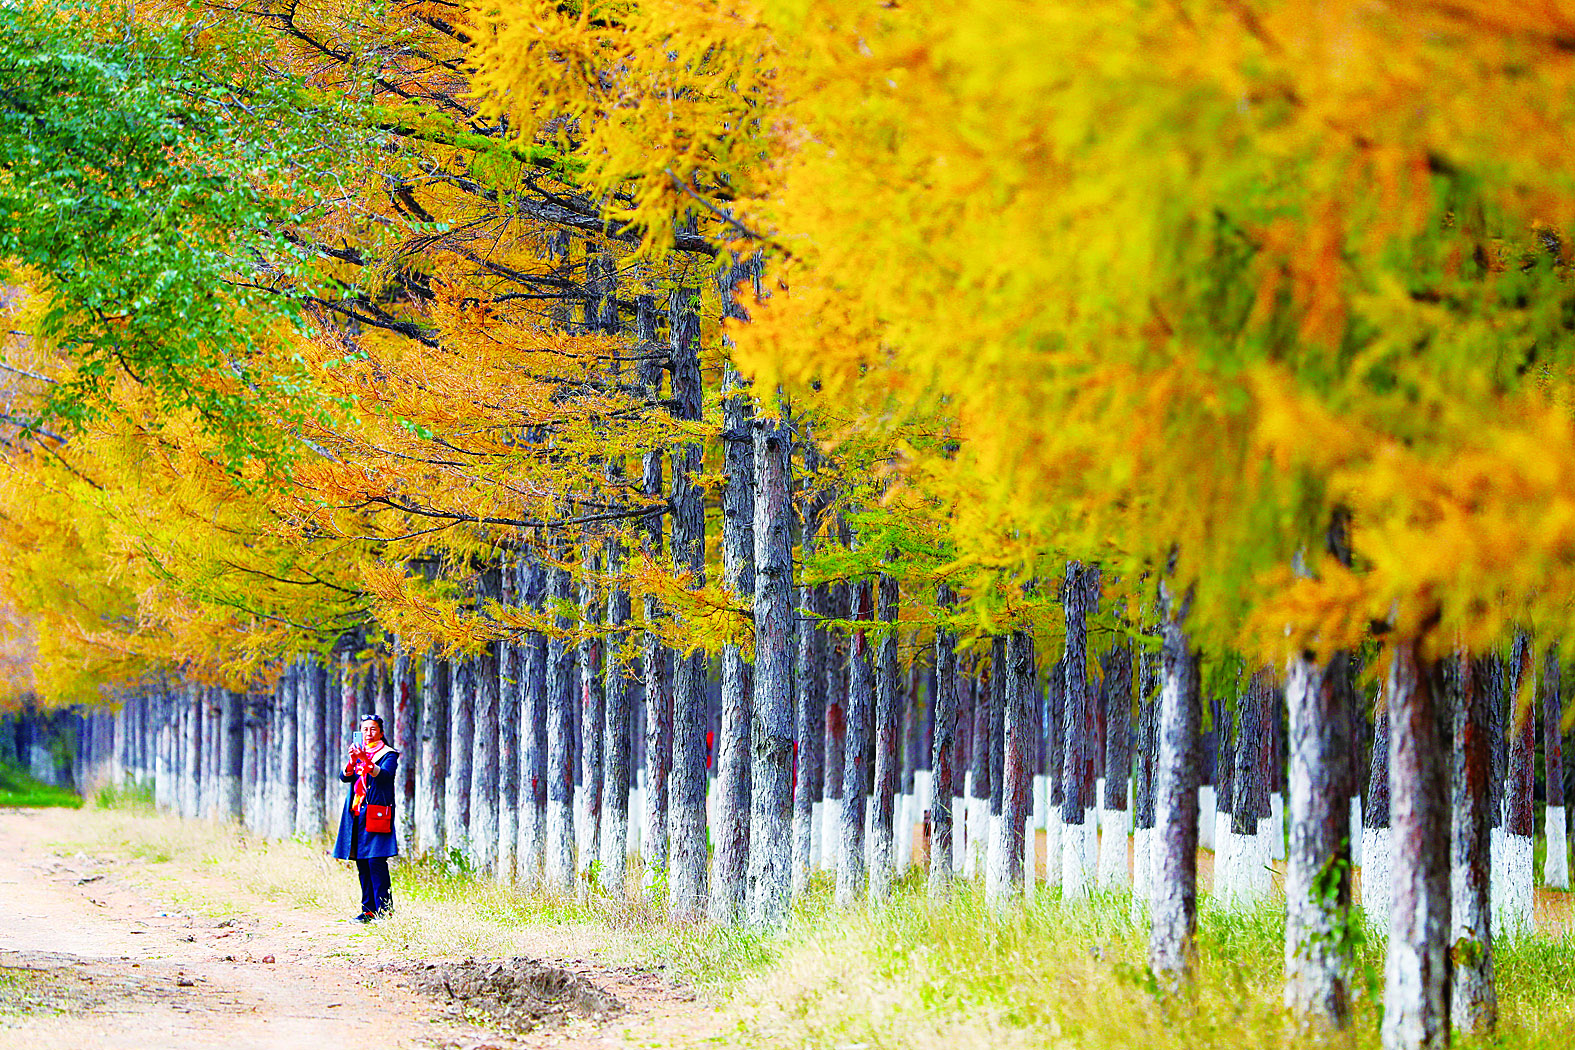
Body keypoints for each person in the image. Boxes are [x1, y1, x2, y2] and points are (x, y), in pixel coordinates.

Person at [332, 713, 400, 921]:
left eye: (373, 729)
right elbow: (345, 777)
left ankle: (385, 911)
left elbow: (385, 776)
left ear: (381, 732)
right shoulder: (360, 752)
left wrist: (365, 760)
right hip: (357, 813)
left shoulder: (388, 754)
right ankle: (368, 910)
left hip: (377, 813)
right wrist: (353, 760)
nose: (368, 733)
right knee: (362, 862)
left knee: (376, 862)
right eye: (365, 730)